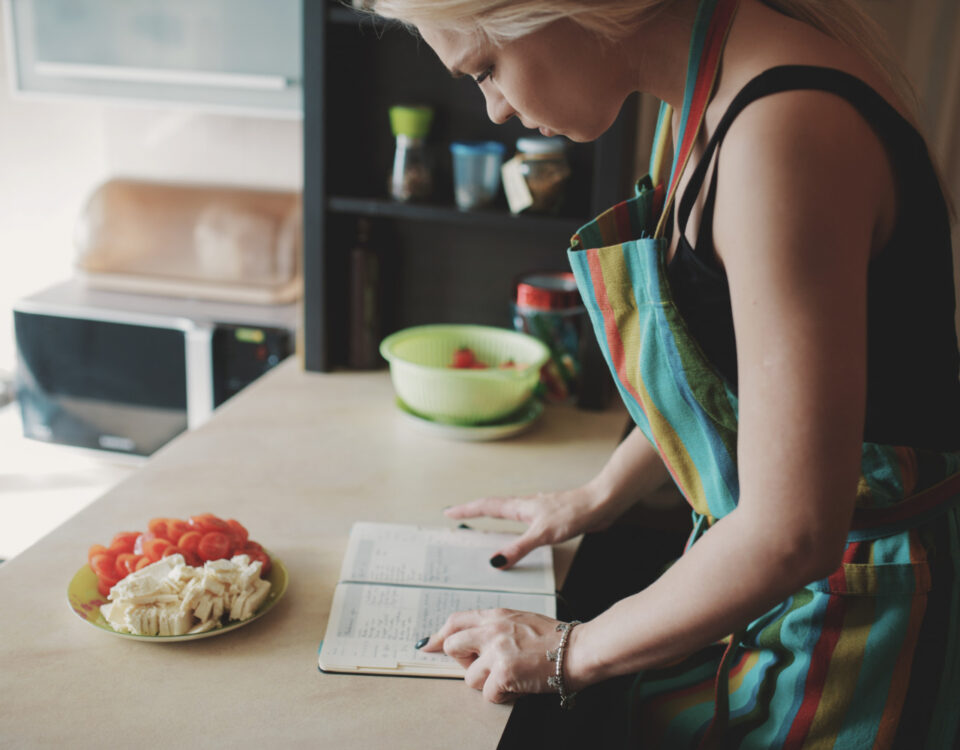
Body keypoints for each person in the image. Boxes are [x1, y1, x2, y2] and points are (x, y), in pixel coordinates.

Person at [365, 0, 960, 746]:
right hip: (794, 594)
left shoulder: (783, 129)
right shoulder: (702, 99)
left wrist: (566, 652)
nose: (494, 109)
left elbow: (792, 532)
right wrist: (596, 496)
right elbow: (736, 378)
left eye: (486, 69)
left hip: (863, 626)